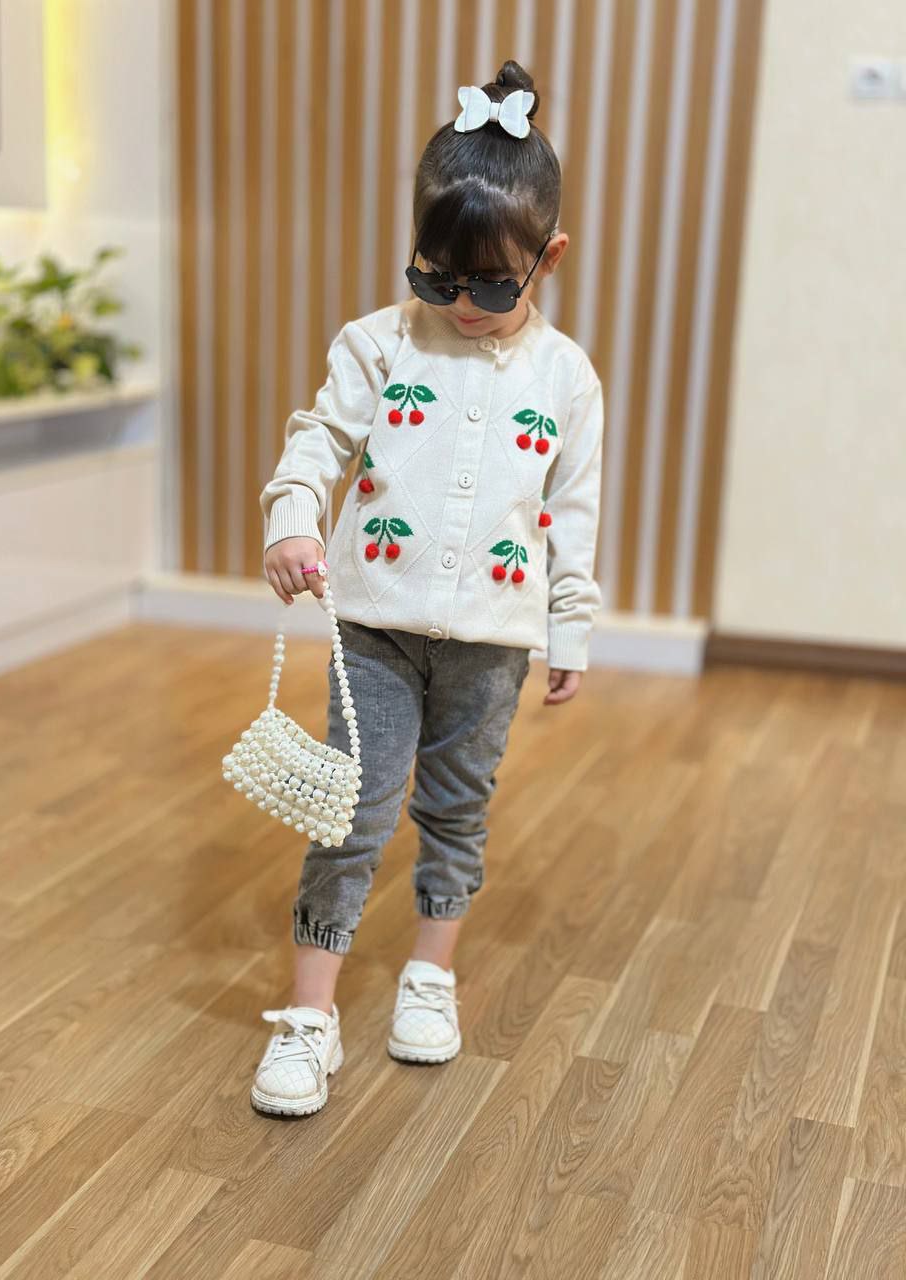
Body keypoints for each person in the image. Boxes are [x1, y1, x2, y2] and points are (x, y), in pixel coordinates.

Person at [252, 61, 603, 1117]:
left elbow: (573, 510)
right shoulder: (378, 342)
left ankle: (429, 974)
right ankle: (310, 1013)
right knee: (351, 813)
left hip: (493, 639)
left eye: (491, 288)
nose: (460, 304)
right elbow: (318, 440)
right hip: (374, 626)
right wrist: (292, 517)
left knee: (457, 809)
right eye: (435, 277)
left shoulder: (566, 378)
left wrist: (569, 627)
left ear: (547, 258)